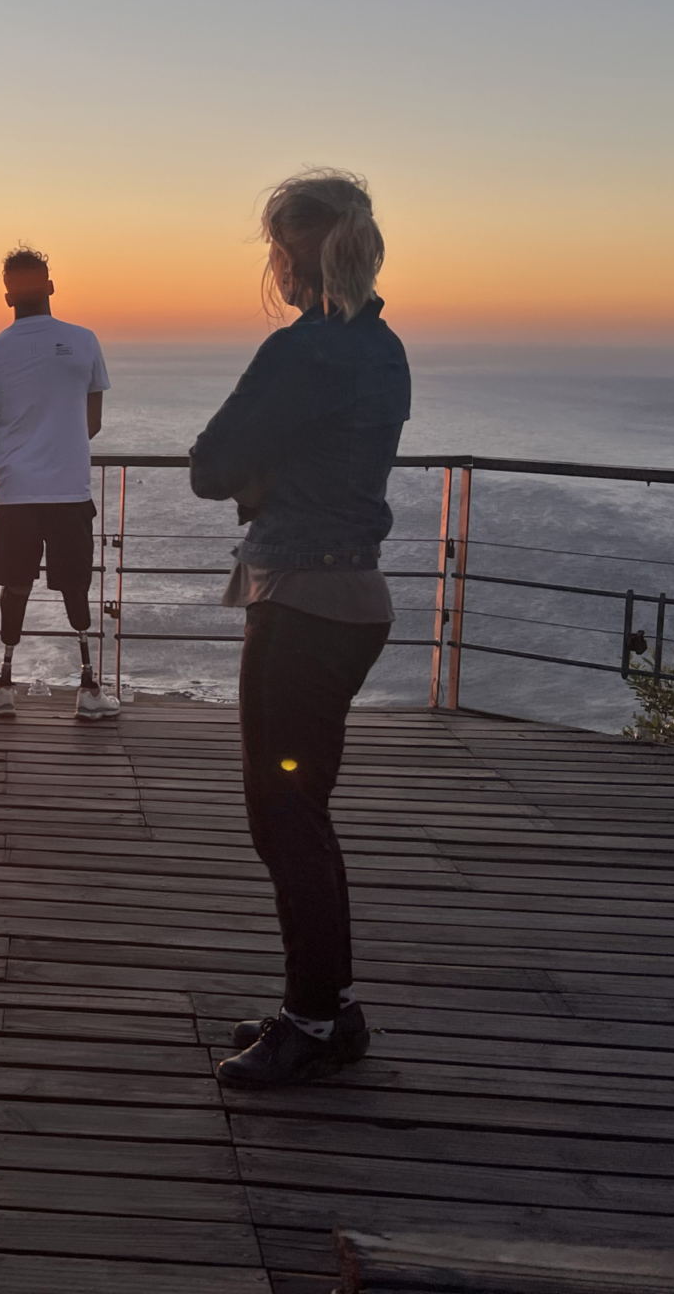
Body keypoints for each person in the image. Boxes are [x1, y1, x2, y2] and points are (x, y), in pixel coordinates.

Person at [189, 170, 409, 1088]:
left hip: (300, 605)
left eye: (274, 248)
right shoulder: (383, 346)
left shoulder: (303, 350)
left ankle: (315, 1019)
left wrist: (255, 478)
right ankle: (324, 1004)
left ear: (292, 251)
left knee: (284, 814)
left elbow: (209, 465)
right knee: (297, 814)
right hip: (347, 599)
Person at [0, 246, 120, 722]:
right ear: (51, 287)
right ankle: (88, 689)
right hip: (69, 487)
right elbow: (91, 423)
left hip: (15, 490)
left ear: (7, 296)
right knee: (75, 585)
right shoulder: (84, 341)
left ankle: (3, 686)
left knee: (15, 586)